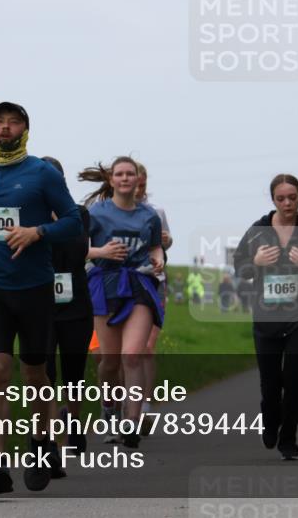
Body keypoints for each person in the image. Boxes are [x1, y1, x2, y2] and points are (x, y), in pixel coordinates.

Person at [0, 102, 81, 494]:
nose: (5, 128)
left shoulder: (42, 174)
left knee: (34, 376)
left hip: (34, 289)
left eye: (13, 122)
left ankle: (40, 444)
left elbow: (73, 221)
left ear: (25, 129)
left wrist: (37, 233)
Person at [233, 174, 298, 461]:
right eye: (281, 198)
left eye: (293, 197)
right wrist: (256, 262)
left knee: (293, 379)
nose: (288, 203)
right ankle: (270, 420)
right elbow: (239, 269)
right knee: (270, 382)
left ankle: (289, 438)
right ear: (273, 199)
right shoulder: (258, 230)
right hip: (266, 318)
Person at [80, 157, 165, 449]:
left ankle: (131, 421)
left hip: (139, 283)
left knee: (132, 355)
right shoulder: (97, 213)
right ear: (112, 180)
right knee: (109, 362)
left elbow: (155, 245)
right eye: (120, 174)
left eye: (130, 174)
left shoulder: (149, 216)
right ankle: (109, 409)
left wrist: (159, 260)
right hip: (105, 284)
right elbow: (78, 248)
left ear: (137, 180)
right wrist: (102, 250)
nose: (126, 178)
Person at [41, 157, 94, 458]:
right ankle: (48, 439)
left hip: (75, 302)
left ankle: (74, 424)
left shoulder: (78, 214)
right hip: (40, 303)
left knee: (73, 373)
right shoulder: (25, 217)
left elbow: (78, 250)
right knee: (44, 372)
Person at [134, 162, 173, 431]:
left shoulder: (155, 212)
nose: (139, 188)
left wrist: (166, 240)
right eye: (136, 182)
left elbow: (166, 243)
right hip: (122, 285)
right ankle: (126, 405)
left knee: (147, 346)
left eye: (143, 184)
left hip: (153, 282)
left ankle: (144, 406)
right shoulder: (108, 212)